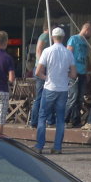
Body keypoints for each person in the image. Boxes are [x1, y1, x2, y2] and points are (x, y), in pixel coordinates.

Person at [34, 26, 76, 155]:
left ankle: (40, 145)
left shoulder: (47, 51)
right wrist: (64, 75)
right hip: (63, 89)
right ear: (63, 38)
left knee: (42, 116)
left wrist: (46, 77)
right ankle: (57, 147)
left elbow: (38, 72)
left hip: (49, 87)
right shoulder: (68, 53)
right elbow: (74, 74)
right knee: (60, 119)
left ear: (52, 37)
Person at [65, 22, 91, 126]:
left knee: (80, 98)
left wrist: (87, 72)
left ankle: (75, 120)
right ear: (86, 29)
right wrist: (69, 70)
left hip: (82, 72)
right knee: (73, 96)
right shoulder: (74, 39)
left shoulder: (86, 43)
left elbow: (86, 58)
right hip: (73, 72)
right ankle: (64, 119)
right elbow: (68, 54)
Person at [28, 25, 51, 127]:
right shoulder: (45, 35)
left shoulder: (43, 36)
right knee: (41, 96)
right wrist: (42, 65)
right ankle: (35, 121)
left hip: (39, 67)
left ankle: (36, 120)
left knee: (41, 96)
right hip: (41, 68)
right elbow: (39, 50)